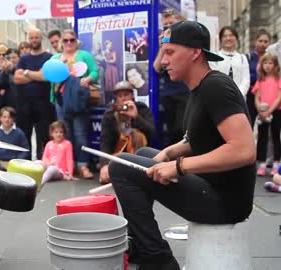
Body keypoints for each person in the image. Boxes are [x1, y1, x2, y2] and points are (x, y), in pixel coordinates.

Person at [109, 21, 255, 269]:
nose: (163, 62)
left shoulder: (216, 88)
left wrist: (178, 166)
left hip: (224, 201)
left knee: (120, 168)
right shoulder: (199, 88)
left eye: (170, 52)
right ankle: (144, 244)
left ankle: (157, 259)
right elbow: (200, 136)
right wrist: (170, 152)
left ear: (195, 52)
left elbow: (244, 150)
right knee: (144, 155)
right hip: (211, 184)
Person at [50, 29, 99, 178]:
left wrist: (88, 79)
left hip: (78, 99)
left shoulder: (84, 55)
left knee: (80, 134)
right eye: (65, 40)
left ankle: (83, 165)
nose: (69, 43)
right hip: (61, 100)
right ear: (61, 42)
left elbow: (95, 72)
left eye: (72, 40)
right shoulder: (56, 57)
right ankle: (67, 167)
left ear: (76, 41)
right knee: (64, 134)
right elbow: (50, 78)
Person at [99, 81, 155, 184]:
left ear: (132, 95)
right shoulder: (110, 113)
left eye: (126, 95)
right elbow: (105, 141)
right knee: (106, 177)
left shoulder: (141, 108)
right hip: (118, 155)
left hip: (139, 156)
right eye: (120, 96)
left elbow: (152, 133)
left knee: (137, 134)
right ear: (116, 98)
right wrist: (104, 165)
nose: (123, 98)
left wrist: (136, 117)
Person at [13, 28, 55, 160]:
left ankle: (44, 162)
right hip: (24, 103)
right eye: (31, 38)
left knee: (43, 134)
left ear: (41, 38)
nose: (33, 40)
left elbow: (47, 77)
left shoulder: (49, 57)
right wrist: (37, 74)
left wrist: (26, 72)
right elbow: (17, 79)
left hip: (44, 103)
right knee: (25, 134)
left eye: (36, 37)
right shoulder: (24, 58)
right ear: (28, 39)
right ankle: (24, 162)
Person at [153, 8, 190, 146]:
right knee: (171, 131)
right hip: (169, 93)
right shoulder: (164, 43)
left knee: (182, 128)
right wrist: (162, 47)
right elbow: (157, 67)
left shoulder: (187, 40)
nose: (169, 27)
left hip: (184, 91)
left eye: (172, 23)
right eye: (166, 25)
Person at [251, 53, 281, 176]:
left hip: (276, 111)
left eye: (270, 63)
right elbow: (257, 97)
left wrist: (269, 111)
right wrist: (260, 110)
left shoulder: (278, 79)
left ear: (275, 65)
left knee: (275, 137)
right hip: (263, 113)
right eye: (265, 63)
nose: (267, 66)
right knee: (262, 137)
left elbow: (279, 97)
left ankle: (276, 163)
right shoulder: (260, 80)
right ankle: (262, 164)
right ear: (261, 65)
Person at [210, 26, 250, 98]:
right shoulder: (215, 57)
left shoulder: (242, 58)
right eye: (225, 36)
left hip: (239, 99)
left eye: (231, 35)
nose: (228, 38)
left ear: (236, 38)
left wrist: (238, 94)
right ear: (221, 39)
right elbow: (213, 79)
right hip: (219, 97)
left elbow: (246, 80)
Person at [246, 29, 271, 127]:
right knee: (249, 123)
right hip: (251, 94)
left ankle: (262, 143)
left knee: (264, 126)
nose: (263, 44)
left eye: (265, 41)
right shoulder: (248, 57)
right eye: (260, 41)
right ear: (255, 41)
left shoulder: (271, 58)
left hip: (266, 95)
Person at [41, 121, 74, 185]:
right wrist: (48, 164)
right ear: (51, 133)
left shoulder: (67, 144)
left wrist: (70, 174)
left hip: (60, 171)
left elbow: (69, 160)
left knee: (51, 169)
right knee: (37, 163)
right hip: (49, 166)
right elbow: (44, 157)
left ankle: (39, 184)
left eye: (61, 132)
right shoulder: (49, 144)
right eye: (56, 132)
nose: (58, 134)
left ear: (64, 133)